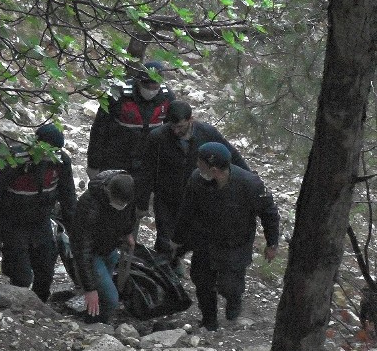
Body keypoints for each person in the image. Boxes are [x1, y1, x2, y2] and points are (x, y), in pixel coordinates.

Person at [134, 100, 251, 276]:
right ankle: (164, 274)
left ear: (191, 119)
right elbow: (146, 171)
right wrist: (141, 203)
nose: (176, 131)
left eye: (180, 126)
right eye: (172, 126)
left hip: (198, 196)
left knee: (192, 236)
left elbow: (230, 155)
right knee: (165, 238)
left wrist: (249, 178)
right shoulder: (158, 137)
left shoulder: (207, 133)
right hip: (166, 196)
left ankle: (178, 261)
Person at [172, 142, 280, 331]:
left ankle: (234, 301)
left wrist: (272, 243)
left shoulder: (250, 184)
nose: (197, 165)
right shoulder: (196, 180)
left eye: (200, 163)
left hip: (235, 244)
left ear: (213, 170)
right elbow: (186, 211)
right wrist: (177, 240)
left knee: (229, 286)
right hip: (205, 241)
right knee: (202, 282)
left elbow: (269, 213)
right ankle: (209, 320)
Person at [0, 124, 77, 301]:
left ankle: (39, 306)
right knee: (21, 275)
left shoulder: (61, 162)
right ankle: (14, 306)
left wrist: (75, 233)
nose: (50, 157)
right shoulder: (14, 160)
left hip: (41, 220)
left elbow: (68, 197)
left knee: (45, 270)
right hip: (11, 221)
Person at [87, 61, 176, 178]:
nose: (150, 88)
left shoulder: (167, 97)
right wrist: (93, 164)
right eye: (146, 84)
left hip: (147, 161)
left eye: (155, 85)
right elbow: (99, 130)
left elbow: (171, 132)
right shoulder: (118, 95)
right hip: (116, 160)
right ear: (137, 81)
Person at [69, 170, 137, 324]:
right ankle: (99, 326)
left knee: (103, 295)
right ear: (108, 191)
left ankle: (94, 320)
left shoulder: (127, 192)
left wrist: (127, 233)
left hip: (110, 248)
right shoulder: (89, 205)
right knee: (111, 299)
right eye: (118, 203)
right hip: (93, 254)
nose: (121, 206)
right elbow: (82, 249)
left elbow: (128, 215)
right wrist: (89, 288)